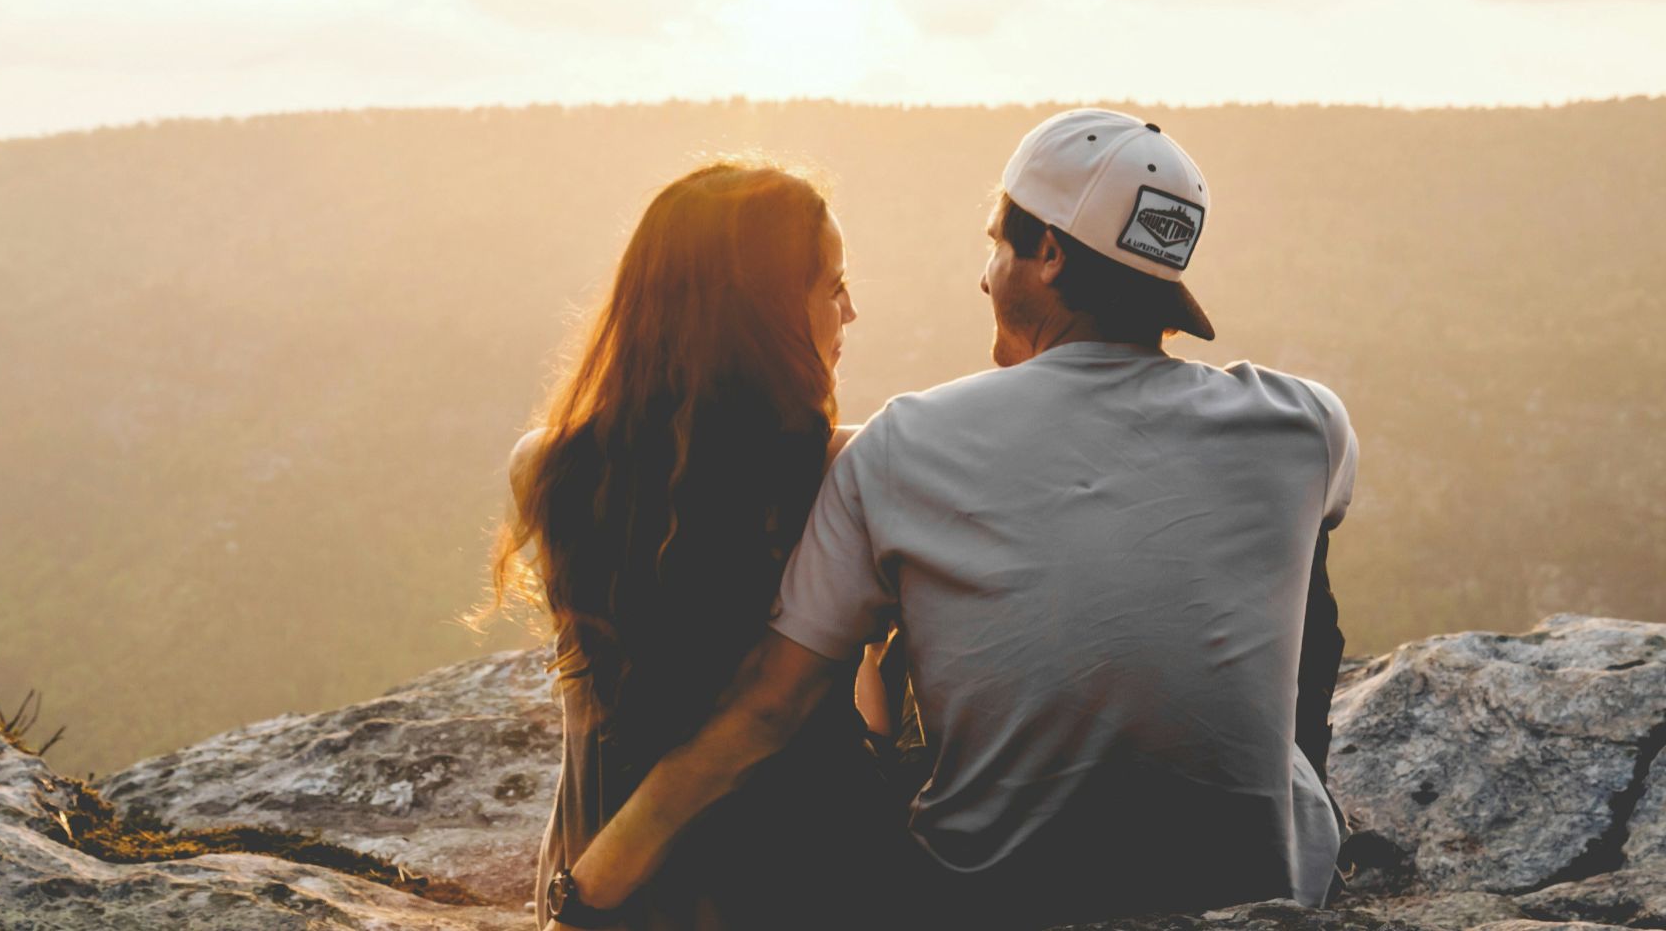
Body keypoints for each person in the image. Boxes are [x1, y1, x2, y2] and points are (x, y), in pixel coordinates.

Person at [547, 110, 1359, 930]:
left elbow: (770, 708)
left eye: (997, 244)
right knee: (1304, 555)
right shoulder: (1305, 425)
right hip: (1260, 885)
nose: (984, 274)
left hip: (988, 897)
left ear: (1046, 255)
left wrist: (585, 890)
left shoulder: (908, 445)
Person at [479, 159, 900, 930]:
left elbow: (589, 712)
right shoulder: (848, 470)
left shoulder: (545, 467)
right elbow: (852, 709)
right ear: (763, 315)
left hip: (597, 874)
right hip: (804, 879)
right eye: (832, 286)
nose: (852, 310)